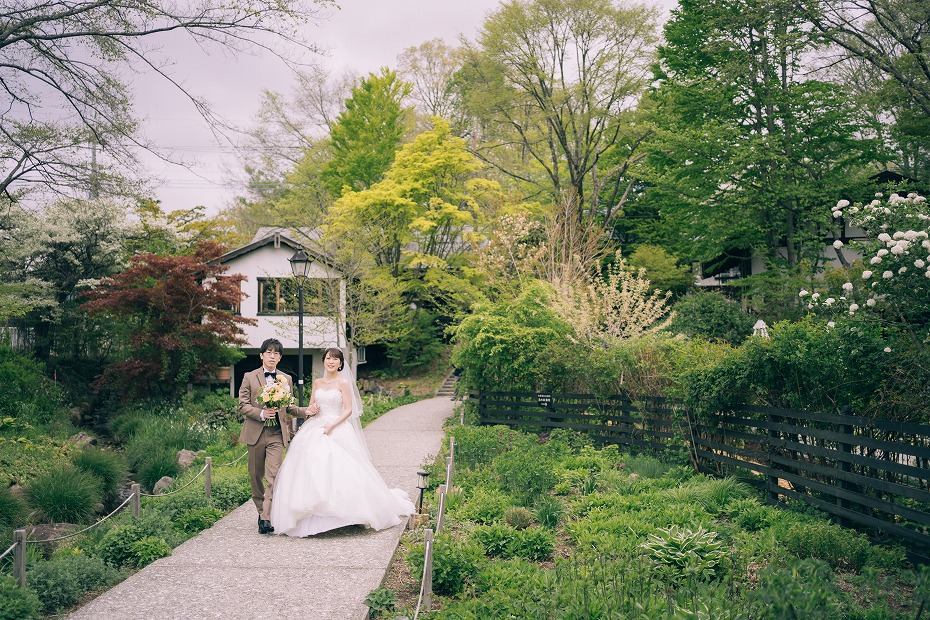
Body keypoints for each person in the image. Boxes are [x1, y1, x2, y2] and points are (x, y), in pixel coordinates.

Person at [270, 347, 414, 536]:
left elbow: (348, 410)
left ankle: (348, 513)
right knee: (311, 465)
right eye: (328, 358)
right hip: (316, 425)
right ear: (324, 361)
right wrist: (311, 411)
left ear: (340, 363)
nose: (331, 362)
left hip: (337, 426)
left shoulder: (343, 382)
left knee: (342, 467)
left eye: (335, 359)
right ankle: (313, 513)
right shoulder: (317, 382)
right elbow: (313, 405)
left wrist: (332, 425)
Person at [238, 338, 318, 535]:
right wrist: (262, 413)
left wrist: (307, 410)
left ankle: (266, 517)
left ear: (280, 357)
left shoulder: (286, 379)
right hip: (255, 433)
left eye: (276, 353)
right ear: (261, 355)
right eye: (269, 352)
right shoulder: (249, 376)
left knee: (272, 476)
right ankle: (260, 510)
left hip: (276, 434)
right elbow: (242, 405)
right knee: (255, 476)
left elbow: (289, 408)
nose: (272, 356)